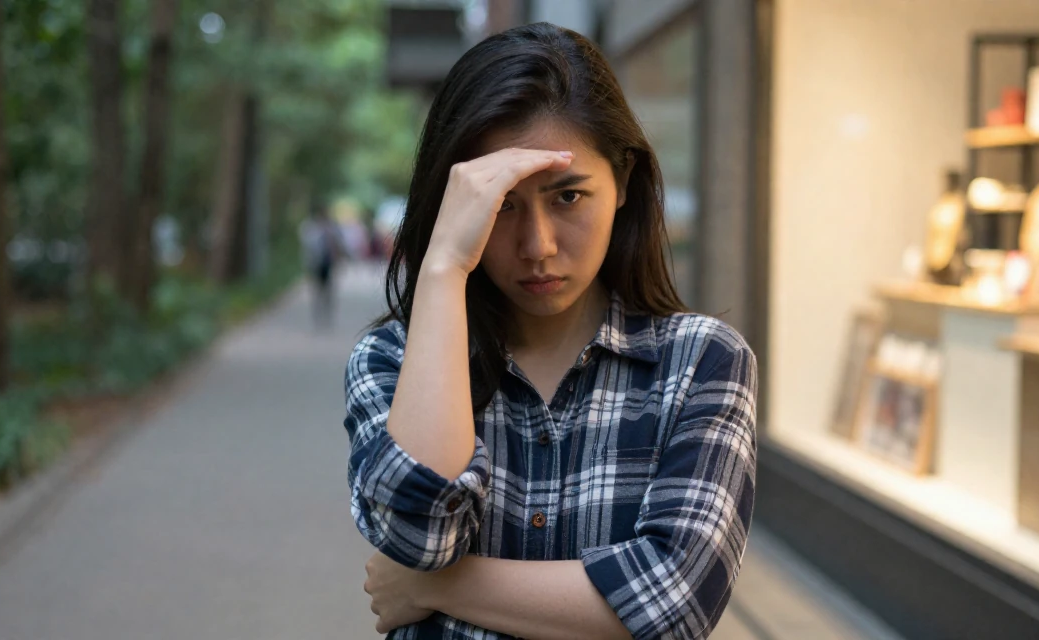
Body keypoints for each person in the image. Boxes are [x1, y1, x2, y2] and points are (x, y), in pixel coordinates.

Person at [343, 22, 756, 639]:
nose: (537, 246)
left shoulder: (699, 362)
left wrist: (433, 588)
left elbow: (672, 604)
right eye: (501, 204)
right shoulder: (393, 358)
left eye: (567, 197)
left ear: (621, 183)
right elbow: (418, 534)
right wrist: (443, 268)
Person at [299, 204, 341, 328]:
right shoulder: (310, 228)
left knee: (328, 290)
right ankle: (317, 314)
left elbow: (336, 244)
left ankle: (327, 314)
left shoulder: (331, 228)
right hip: (316, 263)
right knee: (317, 290)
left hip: (327, 263)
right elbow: (308, 246)